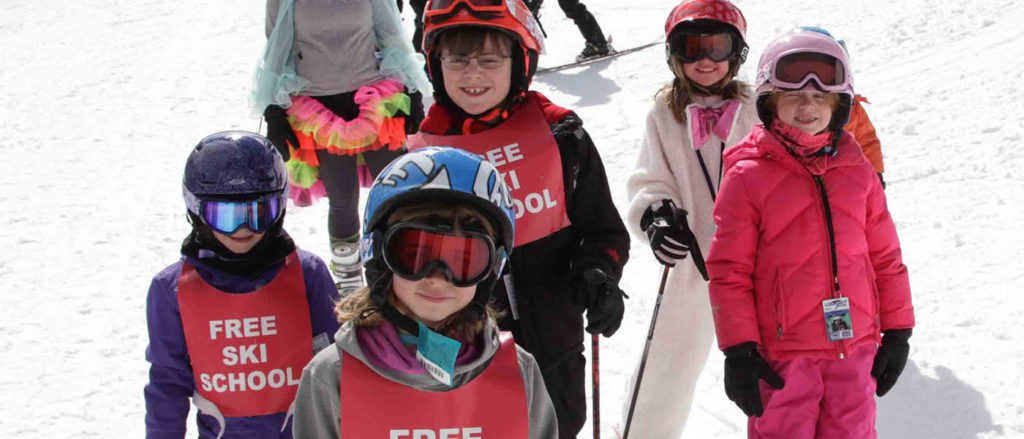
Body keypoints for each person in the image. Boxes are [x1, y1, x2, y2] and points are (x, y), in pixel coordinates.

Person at [408, 1, 631, 436]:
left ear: (521, 61)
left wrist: (599, 272)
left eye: (490, 60)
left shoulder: (561, 137)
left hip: (552, 344)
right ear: (436, 65)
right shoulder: (421, 159)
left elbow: (602, 229)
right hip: (457, 356)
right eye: (457, 60)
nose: (473, 75)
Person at [706, 28, 915, 438]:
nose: (808, 106)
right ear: (770, 101)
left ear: (838, 105)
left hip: (854, 349)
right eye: (794, 95)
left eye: (821, 97)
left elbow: (885, 256)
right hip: (783, 355)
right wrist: (739, 349)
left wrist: (898, 330)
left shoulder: (858, 170)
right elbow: (729, 270)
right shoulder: (748, 176)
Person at [291, 147, 559, 438]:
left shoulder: (518, 371)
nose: (437, 278)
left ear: (490, 270)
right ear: (379, 255)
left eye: (464, 260)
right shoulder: (332, 376)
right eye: (415, 255)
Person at [144, 131, 341, 438]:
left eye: (258, 213)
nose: (243, 229)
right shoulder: (173, 290)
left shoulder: (307, 274)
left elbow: (338, 363)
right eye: (225, 216)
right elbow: (168, 383)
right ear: (197, 211)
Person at [621, 1, 756, 436]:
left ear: (736, 53)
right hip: (695, 257)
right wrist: (656, 217)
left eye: (717, 48)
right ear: (673, 54)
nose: (704, 60)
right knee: (668, 361)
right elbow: (650, 178)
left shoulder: (757, 106)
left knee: (773, 357)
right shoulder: (664, 113)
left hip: (760, 258)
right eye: (691, 47)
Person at [251, 0, 433, 293]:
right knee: (342, 198)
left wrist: (411, 88)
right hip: (319, 106)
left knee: (398, 192)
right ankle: (350, 287)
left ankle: (405, 270)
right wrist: (273, 109)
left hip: (374, 97)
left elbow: (390, 35)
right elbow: (277, 48)